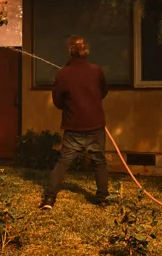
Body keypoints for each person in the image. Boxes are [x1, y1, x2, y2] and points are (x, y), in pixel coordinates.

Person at [40, 35, 114, 210]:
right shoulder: (97, 71)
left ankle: (49, 199)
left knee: (63, 162)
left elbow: (58, 102)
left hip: (73, 127)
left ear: (70, 51)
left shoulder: (62, 74)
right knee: (99, 162)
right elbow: (103, 92)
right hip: (95, 125)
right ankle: (102, 198)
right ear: (86, 51)